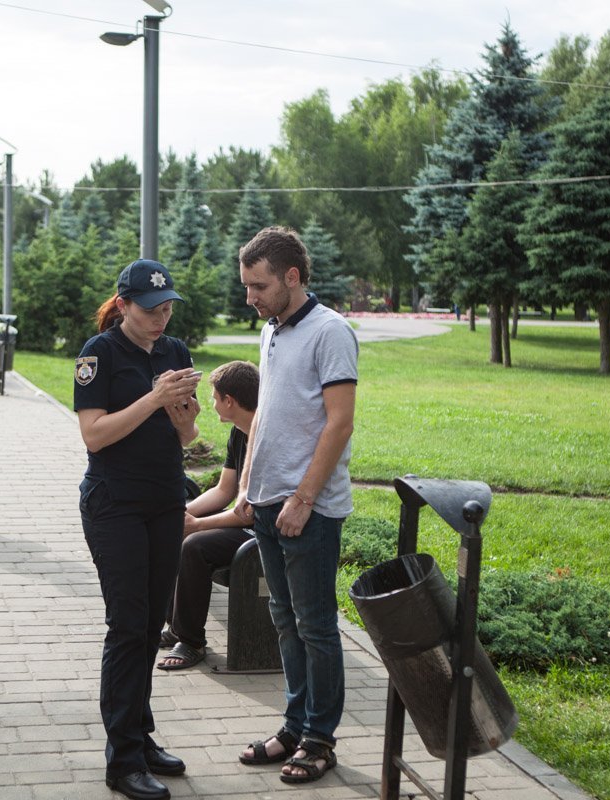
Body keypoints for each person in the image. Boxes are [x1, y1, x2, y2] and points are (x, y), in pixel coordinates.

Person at [234, 226, 358, 785]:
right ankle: (292, 724)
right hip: (265, 502)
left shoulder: (331, 332)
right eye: (246, 286)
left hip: (308, 508)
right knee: (283, 621)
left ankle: (319, 739)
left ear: (291, 277)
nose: (250, 297)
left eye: (258, 286)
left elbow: (339, 422)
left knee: (315, 625)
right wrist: (247, 485)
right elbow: (264, 413)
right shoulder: (271, 329)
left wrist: (304, 497)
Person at [74, 259, 202, 800]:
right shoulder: (98, 353)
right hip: (115, 504)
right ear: (123, 304)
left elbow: (188, 434)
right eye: (151, 309)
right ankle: (122, 759)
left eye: (168, 306)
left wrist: (181, 415)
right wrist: (152, 397)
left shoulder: (175, 351)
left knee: (152, 625)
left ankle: (141, 736)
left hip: (164, 500)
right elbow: (95, 436)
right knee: (128, 627)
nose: (161, 317)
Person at [156, 360, 259, 672]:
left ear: (229, 401)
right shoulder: (239, 434)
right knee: (177, 528)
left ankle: (191, 641)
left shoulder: (266, 434)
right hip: (245, 522)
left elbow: (247, 515)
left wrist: (196, 525)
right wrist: (183, 513)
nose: (211, 404)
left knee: (195, 545)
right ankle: (176, 626)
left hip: (263, 533)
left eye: (214, 397)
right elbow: (225, 490)